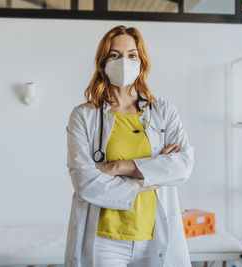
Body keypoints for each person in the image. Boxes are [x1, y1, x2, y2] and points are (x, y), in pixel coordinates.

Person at [64, 25, 194, 267]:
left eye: (131, 55)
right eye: (115, 55)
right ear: (102, 62)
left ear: (141, 61)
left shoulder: (163, 111)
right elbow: (85, 183)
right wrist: (153, 177)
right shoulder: (83, 116)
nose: (124, 62)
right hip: (105, 240)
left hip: (155, 234)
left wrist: (116, 167)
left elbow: (182, 166)